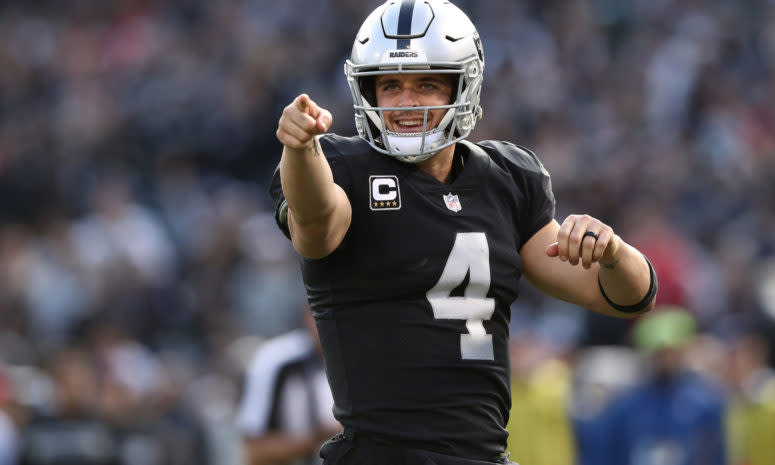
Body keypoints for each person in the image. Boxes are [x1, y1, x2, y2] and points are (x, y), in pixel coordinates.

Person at [270, 1, 658, 464]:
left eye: (427, 84)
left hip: (485, 456)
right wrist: (299, 148)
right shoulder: (339, 167)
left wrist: (612, 250)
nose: (406, 102)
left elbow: (626, 297)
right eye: (390, 85)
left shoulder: (506, 178)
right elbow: (314, 223)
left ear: (464, 84)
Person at [585, 307, 727, 465]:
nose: (666, 360)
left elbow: (717, 453)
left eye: (671, 352)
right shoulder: (625, 407)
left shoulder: (706, 402)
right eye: (659, 353)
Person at [236, 307, 341, 465]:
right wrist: (322, 438)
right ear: (307, 313)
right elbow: (253, 451)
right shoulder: (277, 360)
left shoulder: (368, 361)